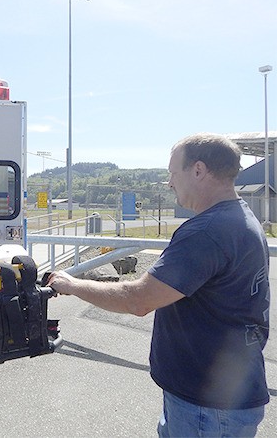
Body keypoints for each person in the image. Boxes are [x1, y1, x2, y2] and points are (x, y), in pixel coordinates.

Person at [46, 133, 270, 437]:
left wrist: (71, 284)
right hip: (219, 398)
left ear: (199, 170)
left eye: (172, 172)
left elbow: (137, 299)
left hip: (207, 407)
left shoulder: (207, 231)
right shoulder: (239, 218)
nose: (169, 183)